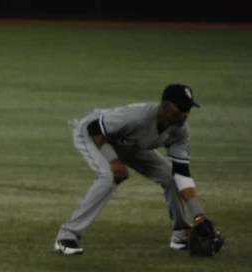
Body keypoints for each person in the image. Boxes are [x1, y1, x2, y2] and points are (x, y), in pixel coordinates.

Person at [55, 83, 216, 255]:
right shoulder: (138, 116)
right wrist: (113, 160)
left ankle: (180, 234)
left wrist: (199, 215)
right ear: (165, 107)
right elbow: (94, 127)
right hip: (93, 135)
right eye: (181, 108)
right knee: (109, 177)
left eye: (188, 109)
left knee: (171, 177)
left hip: (128, 142)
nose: (185, 114)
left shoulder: (180, 131)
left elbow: (182, 174)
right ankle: (67, 235)